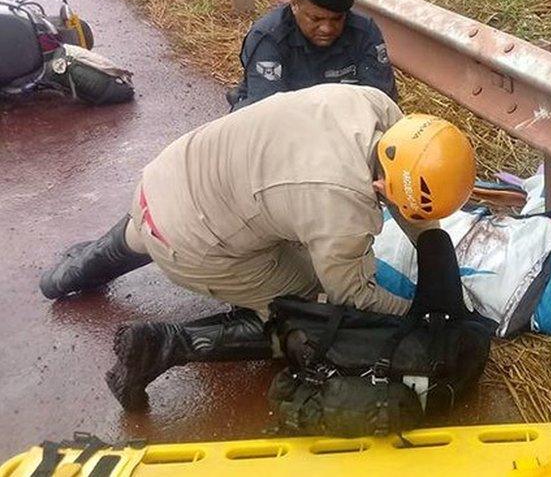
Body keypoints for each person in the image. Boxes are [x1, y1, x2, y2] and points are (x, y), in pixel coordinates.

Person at [38, 83, 476, 410]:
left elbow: (403, 181)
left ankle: (66, 275)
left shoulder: (377, 107)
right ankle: (166, 346)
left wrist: (434, 246)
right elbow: (353, 295)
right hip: (192, 241)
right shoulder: (339, 205)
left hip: (164, 179)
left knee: (149, 228)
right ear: (380, 185)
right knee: (311, 305)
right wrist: (417, 316)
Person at [226, 0, 397, 111]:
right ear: (294, 5)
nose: (327, 29)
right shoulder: (269, 37)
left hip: (343, 124)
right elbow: (267, 112)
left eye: (337, 19)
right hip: (278, 123)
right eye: (316, 18)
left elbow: (382, 102)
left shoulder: (364, 32)